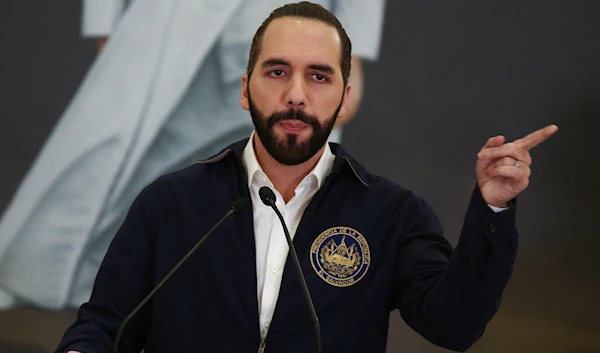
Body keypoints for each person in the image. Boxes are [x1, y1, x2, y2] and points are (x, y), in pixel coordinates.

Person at [55, 2, 558, 353]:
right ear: (245, 91)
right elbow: (103, 328)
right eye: (276, 72)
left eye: (319, 76)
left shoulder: (392, 214)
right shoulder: (169, 203)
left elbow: (454, 326)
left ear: (345, 96)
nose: (296, 94)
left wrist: (492, 210)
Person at [0, 0, 385, 310]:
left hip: (295, 26)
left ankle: (249, 310)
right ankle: (55, 275)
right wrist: (105, 17)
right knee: (121, 164)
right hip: (171, 18)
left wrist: (357, 48)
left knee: (276, 184)